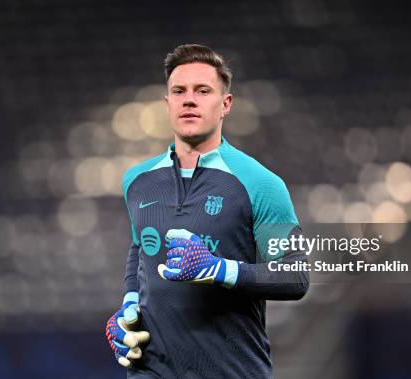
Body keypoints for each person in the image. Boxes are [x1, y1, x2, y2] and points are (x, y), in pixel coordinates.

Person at [105, 44, 309, 378]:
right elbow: (140, 249)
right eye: (179, 91)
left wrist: (218, 269)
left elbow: (295, 276)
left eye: (203, 91)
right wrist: (129, 309)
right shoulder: (137, 181)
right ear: (167, 104)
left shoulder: (261, 184)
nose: (189, 100)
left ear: (225, 104)